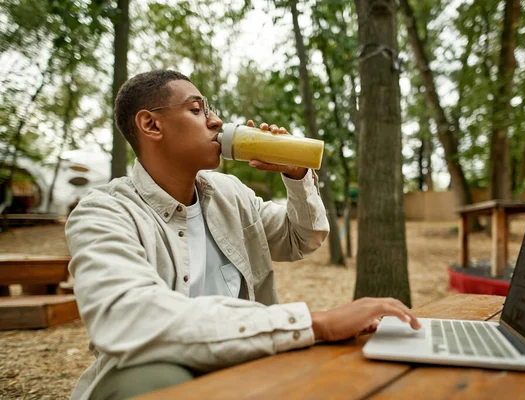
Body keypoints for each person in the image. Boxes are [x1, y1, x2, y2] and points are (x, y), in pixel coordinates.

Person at [66, 70, 421, 400]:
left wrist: (297, 176)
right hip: (153, 372)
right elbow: (129, 319)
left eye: (211, 111)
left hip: (245, 359)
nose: (216, 121)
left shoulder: (229, 193)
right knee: (154, 379)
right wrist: (315, 322)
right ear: (150, 124)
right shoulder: (104, 213)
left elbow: (302, 238)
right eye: (196, 109)